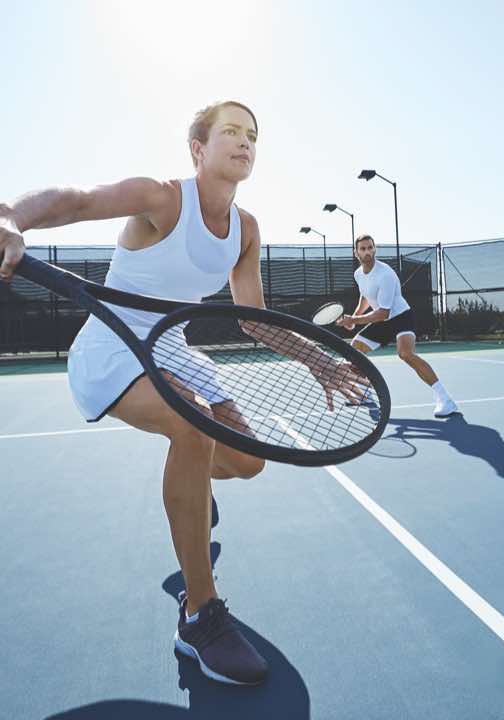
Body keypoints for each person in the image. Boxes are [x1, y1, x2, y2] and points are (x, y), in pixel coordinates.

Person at [0, 101, 360, 685]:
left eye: (252, 136)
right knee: (193, 425)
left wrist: (314, 357)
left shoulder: (245, 229)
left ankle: (188, 493)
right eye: (230, 132)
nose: (244, 143)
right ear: (199, 148)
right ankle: (199, 615)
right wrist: (9, 214)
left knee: (247, 460)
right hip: (114, 345)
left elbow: (254, 319)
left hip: (172, 350)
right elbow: (78, 198)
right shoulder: (164, 198)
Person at [337, 234, 459, 418]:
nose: (368, 251)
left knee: (406, 354)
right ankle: (365, 394)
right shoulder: (358, 274)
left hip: (401, 316)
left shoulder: (385, 274)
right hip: (382, 321)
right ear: (356, 253)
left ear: (374, 249)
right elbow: (365, 297)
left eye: (370, 247)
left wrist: (353, 321)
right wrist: (355, 317)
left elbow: (383, 313)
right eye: (363, 249)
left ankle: (445, 399)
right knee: (354, 352)